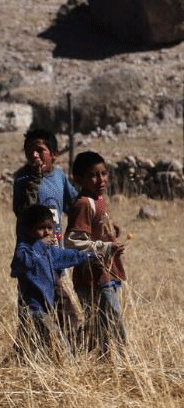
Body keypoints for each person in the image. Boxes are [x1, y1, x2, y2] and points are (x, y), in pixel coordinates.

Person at [12, 128, 82, 339]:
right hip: (32, 259)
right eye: (29, 151)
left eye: (39, 150)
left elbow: (74, 204)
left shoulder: (59, 176)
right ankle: (28, 354)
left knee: (65, 312)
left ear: (54, 153)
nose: (34, 155)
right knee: (33, 311)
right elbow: (24, 213)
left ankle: (68, 353)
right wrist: (34, 179)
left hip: (54, 257)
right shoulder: (22, 179)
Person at [9, 205, 93, 362]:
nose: (47, 232)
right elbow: (21, 264)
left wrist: (90, 255)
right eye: (41, 228)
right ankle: (68, 367)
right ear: (29, 230)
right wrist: (40, 245)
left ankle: (14, 365)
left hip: (47, 308)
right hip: (33, 310)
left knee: (32, 347)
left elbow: (67, 256)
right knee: (57, 342)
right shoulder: (24, 249)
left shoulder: (49, 251)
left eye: (50, 228)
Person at [65, 151, 128, 359]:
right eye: (93, 175)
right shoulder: (84, 203)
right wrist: (105, 247)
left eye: (104, 173)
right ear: (79, 179)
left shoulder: (99, 199)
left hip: (107, 271)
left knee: (103, 320)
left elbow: (96, 229)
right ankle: (120, 359)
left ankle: (107, 360)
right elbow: (73, 241)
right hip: (92, 275)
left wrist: (112, 231)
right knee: (109, 318)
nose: (101, 180)